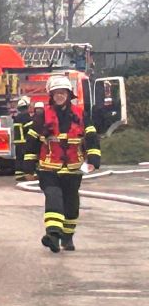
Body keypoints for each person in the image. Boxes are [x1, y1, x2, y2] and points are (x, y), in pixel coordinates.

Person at [36, 75, 102, 253]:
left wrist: (94, 159)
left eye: (62, 93)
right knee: (54, 197)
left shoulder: (80, 114)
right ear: (51, 95)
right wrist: (26, 166)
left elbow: (91, 137)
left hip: (73, 167)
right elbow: (32, 141)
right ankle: (53, 235)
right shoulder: (42, 115)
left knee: (71, 202)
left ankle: (67, 237)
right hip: (49, 167)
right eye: (56, 93)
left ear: (68, 94)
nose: (59, 96)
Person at [11, 96, 36, 182]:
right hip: (24, 141)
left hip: (18, 141)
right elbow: (29, 128)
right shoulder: (25, 116)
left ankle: (19, 175)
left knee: (19, 158)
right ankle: (27, 174)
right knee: (26, 158)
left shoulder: (17, 117)